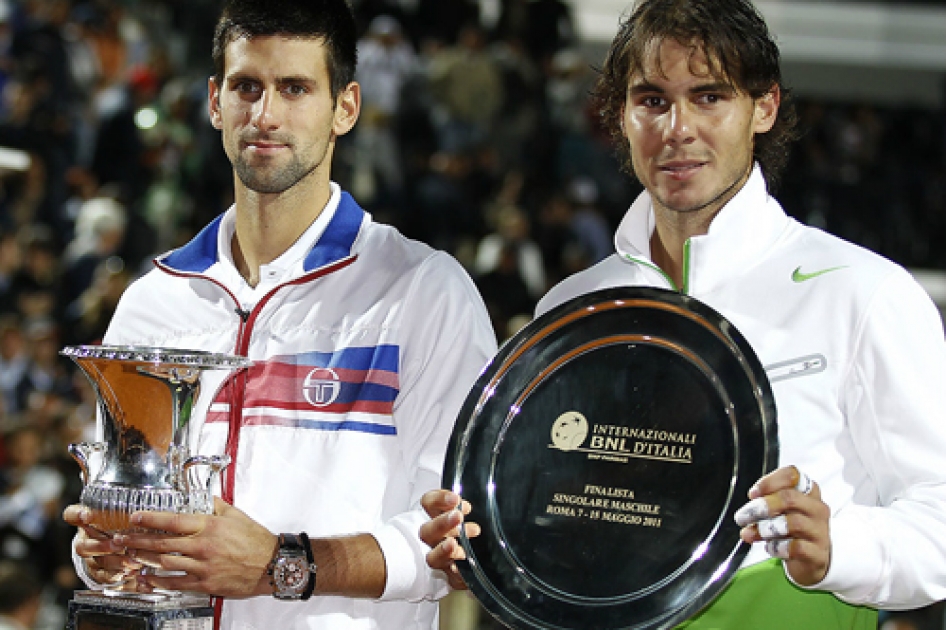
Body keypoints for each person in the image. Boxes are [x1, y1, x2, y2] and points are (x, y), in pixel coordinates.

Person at [420, 0, 946, 628]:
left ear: (765, 107)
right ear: (621, 115)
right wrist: (484, 546)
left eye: (708, 97)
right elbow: (547, 512)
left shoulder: (862, 292)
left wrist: (840, 548)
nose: (678, 128)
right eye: (652, 100)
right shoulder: (570, 308)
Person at [62, 1, 496, 629]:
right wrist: (105, 555)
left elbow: (458, 540)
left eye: (295, 88)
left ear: (345, 107)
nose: (265, 115)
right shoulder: (153, 300)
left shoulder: (422, 291)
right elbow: (122, 504)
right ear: (215, 101)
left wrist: (280, 563)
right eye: (246, 87)